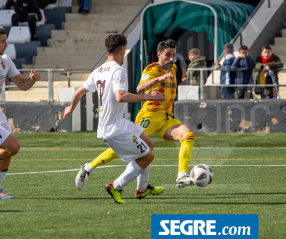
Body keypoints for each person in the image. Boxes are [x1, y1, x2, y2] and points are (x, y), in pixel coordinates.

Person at [75, 39, 197, 195]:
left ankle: (180, 176)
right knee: (128, 149)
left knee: (187, 136)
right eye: (168, 55)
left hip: (166, 118)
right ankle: (88, 167)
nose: (171, 59)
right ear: (159, 54)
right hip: (149, 116)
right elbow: (139, 88)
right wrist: (157, 80)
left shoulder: (172, 68)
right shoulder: (152, 69)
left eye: (173, 55)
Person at [63, 34, 166, 204]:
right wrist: (148, 96)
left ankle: (142, 189)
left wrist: (70, 108)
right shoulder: (119, 70)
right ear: (121, 50)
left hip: (119, 122)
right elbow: (120, 96)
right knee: (147, 157)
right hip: (114, 129)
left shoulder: (98, 70)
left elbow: (78, 93)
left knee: (149, 145)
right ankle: (115, 186)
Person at [0, 27, 41, 199]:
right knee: (13, 146)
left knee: (8, 150)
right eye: (2, 41)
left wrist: (32, 80)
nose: (6, 44)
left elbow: (22, 85)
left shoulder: (5, 60)